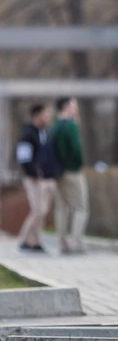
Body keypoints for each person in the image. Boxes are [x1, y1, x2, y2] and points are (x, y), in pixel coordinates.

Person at [15, 103, 61, 252]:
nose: (48, 118)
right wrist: (33, 174)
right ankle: (24, 239)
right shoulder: (28, 134)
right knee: (37, 210)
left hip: (46, 178)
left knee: (43, 211)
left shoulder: (45, 133)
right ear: (37, 116)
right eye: (45, 115)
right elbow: (23, 157)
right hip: (33, 178)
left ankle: (35, 241)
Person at [50, 97, 89, 254]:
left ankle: (62, 242)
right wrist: (79, 164)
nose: (76, 109)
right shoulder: (70, 125)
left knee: (61, 207)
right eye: (74, 106)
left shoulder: (54, 126)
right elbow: (75, 148)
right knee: (81, 207)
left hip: (57, 172)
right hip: (72, 171)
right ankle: (76, 242)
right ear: (66, 106)